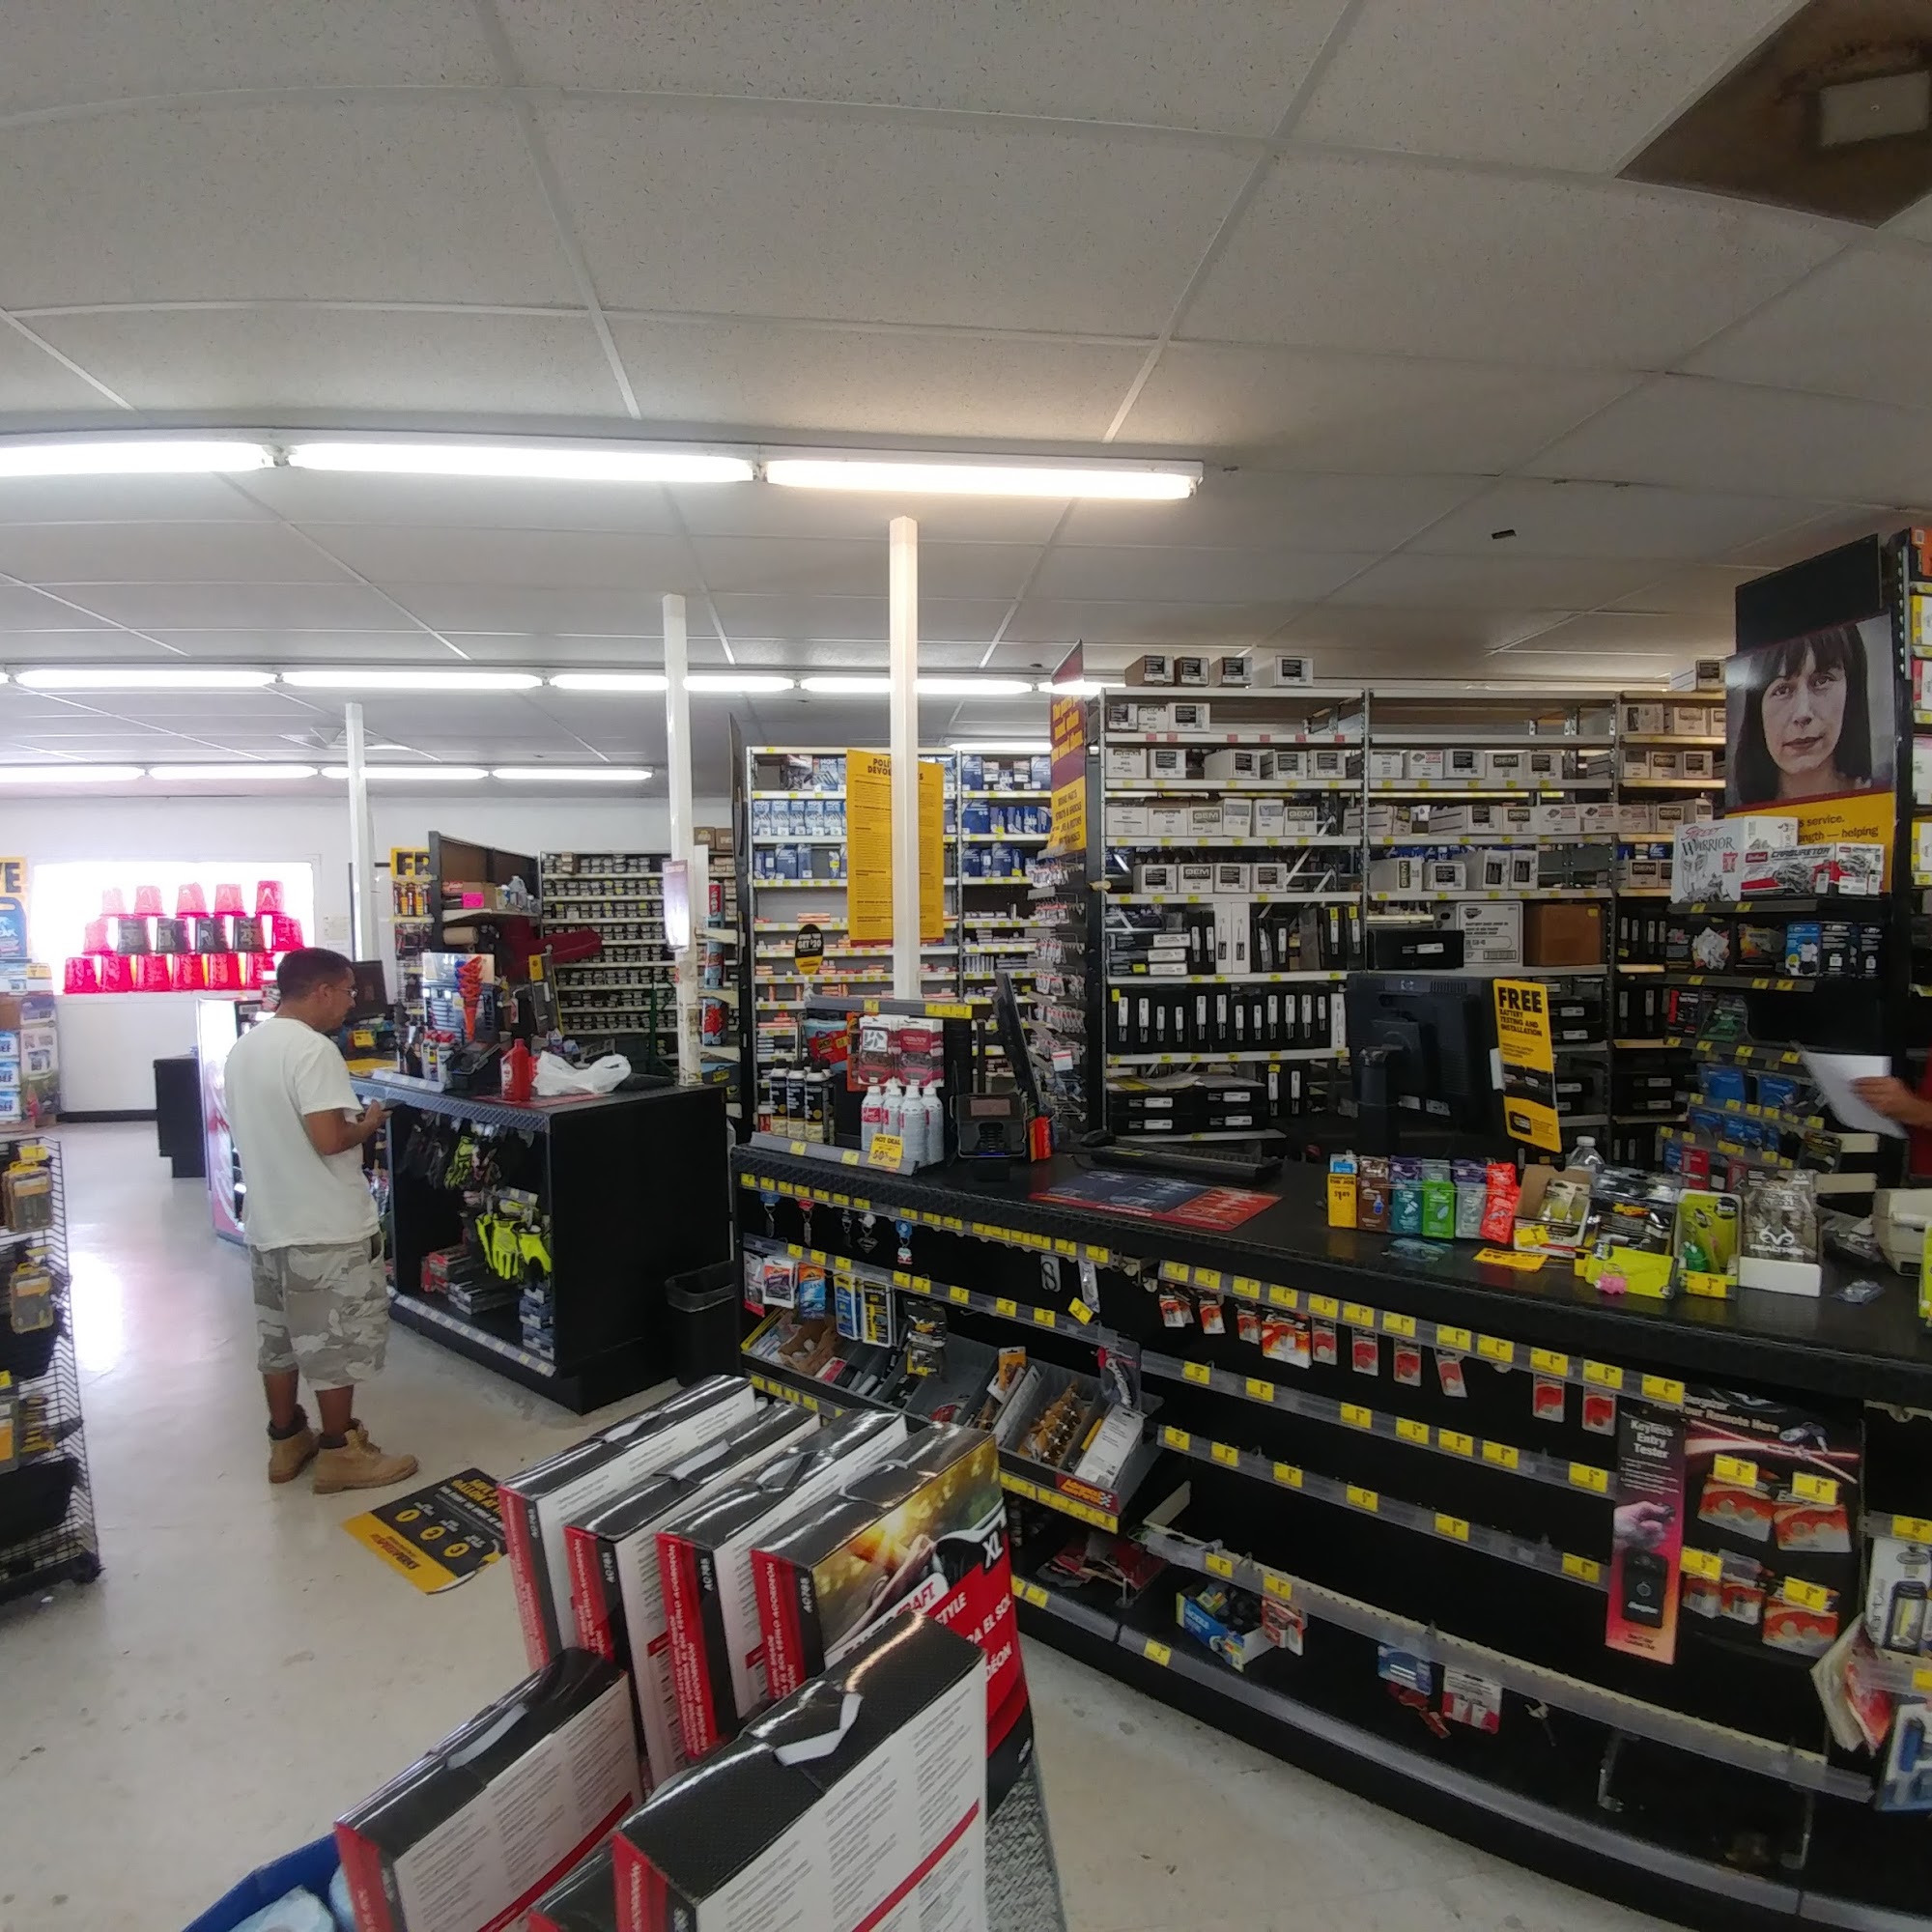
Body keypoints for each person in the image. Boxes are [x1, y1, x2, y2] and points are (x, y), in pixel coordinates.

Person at [223, 946, 418, 1493]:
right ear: (322, 990)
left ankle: (286, 1442)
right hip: (325, 1226)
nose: (352, 1003)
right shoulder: (313, 1050)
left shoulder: (246, 1048)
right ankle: (340, 1452)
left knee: (279, 1340)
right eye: (349, 992)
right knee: (335, 1345)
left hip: (268, 1223)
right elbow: (330, 1139)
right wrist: (370, 1122)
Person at [1731, 625, 1875, 805]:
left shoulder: (1879, 801)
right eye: (1782, 690)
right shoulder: (1741, 811)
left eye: (1821, 681)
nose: (1803, 713)